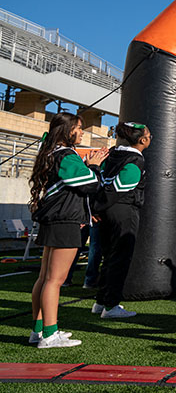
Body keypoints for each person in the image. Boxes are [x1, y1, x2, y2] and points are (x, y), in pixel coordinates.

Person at [28, 112, 107, 348]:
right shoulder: (66, 156)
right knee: (55, 280)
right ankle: (50, 334)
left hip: (56, 220)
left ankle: (38, 331)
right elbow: (91, 184)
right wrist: (93, 166)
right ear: (67, 131)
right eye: (79, 128)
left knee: (45, 278)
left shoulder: (54, 153)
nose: (82, 132)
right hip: (64, 221)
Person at [90, 122, 152, 319]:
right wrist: (100, 204)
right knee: (120, 258)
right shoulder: (135, 160)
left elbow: (101, 183)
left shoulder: (113, 154)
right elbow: (118, 188)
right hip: (123, 211)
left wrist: (96, 207)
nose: (150, 138)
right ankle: (111, 305)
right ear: (142, 140)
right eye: (148, 135)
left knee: (108, 256)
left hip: (107, 212)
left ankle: (100, 302)